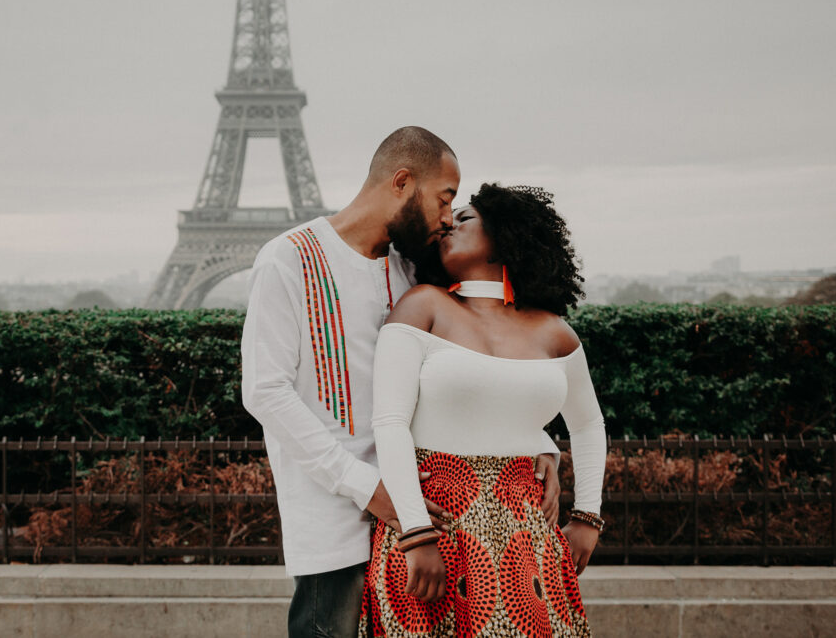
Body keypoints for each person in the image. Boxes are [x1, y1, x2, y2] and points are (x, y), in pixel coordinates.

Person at [241, 128, 563, 638]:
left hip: (430, 520)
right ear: (401, 180)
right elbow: (265, 392)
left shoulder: (414, 271)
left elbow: (474, 365)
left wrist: (535, 439)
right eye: (444, 198)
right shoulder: (289, 259)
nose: (445, 218)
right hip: (337, 526)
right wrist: (368, 487)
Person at [360, 183, 607, 637]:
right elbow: (390, 421)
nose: (449, 222)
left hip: (527, 540)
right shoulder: (422, 306)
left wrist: (587, 517)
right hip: (434, 524)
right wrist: (416, 534)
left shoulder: (554, 331)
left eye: (466, 217)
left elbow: (588, 423)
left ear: (508, 233)